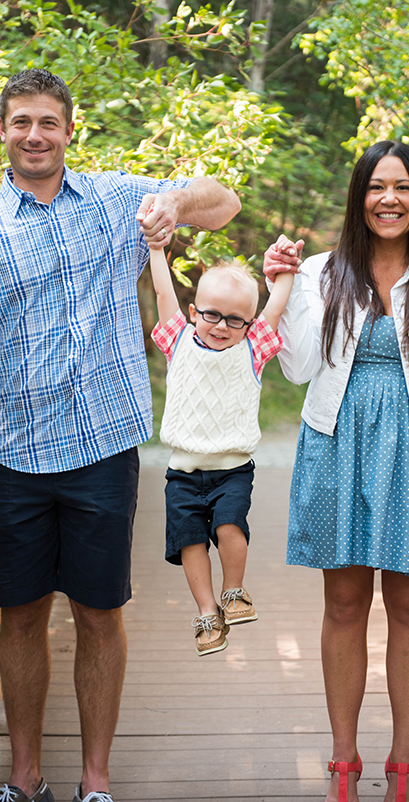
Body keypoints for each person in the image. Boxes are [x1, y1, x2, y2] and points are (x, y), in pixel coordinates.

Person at [0, 69, 240, 802]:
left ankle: (95, 781)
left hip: (102, 449)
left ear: (69, 131)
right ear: (2, 130)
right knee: (18, 617)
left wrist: (174, 204)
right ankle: (26, 781)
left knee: (98, 611)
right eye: (21, 121)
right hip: (15, 451)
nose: (35, 135)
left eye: (48, 122)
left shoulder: (121, 201)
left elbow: (224, 200)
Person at [263, 141, 409, 802]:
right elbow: (299, 367)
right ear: (358, 196)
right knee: (343, 603)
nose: (389, 198)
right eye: (376, 186)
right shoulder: (319, 271)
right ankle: (342, 763)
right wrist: (281, 286)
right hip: (338, 445)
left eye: (403, 187)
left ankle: (404, 765)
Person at [148, 243, 294, 655]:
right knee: (190, 540)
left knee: (229, 526)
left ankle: (233, 592)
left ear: (249, 324)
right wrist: (157, 250)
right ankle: (207, 611)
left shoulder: (252, 350)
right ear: (194, 312)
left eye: (235, 319)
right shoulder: (178, 340)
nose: (221, 325)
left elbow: (276, 309)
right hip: (183, 471)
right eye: (211, 314)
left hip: (232, 469)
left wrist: (285, 271)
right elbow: (163, 294)